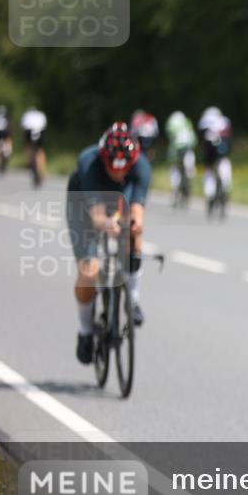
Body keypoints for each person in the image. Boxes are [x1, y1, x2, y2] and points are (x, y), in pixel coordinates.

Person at [66, 122, 152, 365]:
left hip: (120, 197)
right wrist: (107, 224)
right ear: (104, 158)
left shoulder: (141, 166)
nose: (118, 172)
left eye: (124, 167)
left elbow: (138, 211)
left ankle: (132, 299)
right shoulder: (89, 163)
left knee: (134, 234)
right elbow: (97, 217)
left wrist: (132, 225)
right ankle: (85, 331)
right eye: (112, 166)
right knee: (89, 270)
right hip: (83, 205)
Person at [197, 106, 233, 209]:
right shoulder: (224, 120)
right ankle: (225, 188)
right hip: (222, 151)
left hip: (210, 152)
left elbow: (200, 139)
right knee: (225, 165)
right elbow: (229, 138)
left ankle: (209, 194)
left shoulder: (204, 121)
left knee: (209, 171)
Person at [165, 110, 197, 205]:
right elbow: (194, 140)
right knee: (188, 171)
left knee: (175, 170)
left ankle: (176, 190)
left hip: (176, 152)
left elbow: (171, 140)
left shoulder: (171, 124)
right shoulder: (187, 123)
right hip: (187, 151)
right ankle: (187, 186)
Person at [20, 106, 48, 187]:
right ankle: (43, 170)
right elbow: (44, 125)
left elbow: (23, 126)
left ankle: (29, 161)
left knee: (27, 146)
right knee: (40, 151)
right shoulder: (41, 114)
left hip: (29, 132)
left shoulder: (26, 114)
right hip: (40, 132)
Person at [0, 105, 12, 174]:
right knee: (6, 147)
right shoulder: (6, 118)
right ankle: (7, 153)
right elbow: (9, 130)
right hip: (4, 134)